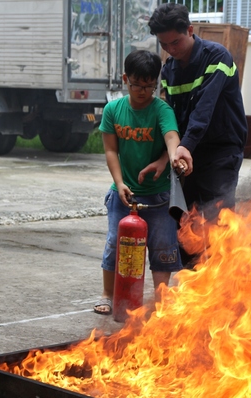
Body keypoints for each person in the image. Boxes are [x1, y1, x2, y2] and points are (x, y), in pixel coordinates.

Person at [93, 50, 193, 315]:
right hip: (123, 194)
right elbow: (111, 151)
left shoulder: (162, 110)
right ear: (126, 79)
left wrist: (173, 158)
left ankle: (160, 302)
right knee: (116, 244)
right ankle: (108, 295)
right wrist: (120, 183)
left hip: (159, 197)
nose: (143, 91)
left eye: (150, 86)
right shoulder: (113, 109)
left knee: (162, 247)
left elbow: (171, 137)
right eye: (137, 84)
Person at [148, 3, 248, 219]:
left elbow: (205, 107)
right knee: (186, 222)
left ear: (190, 31)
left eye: (176, 42)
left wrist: (185, 145)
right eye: (164, 44)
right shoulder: (169, 70)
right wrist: (169, 154)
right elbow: (173, 117)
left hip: (221, 151)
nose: (171, 50)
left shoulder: (217, 57)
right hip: (190, 152)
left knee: (218, 220)